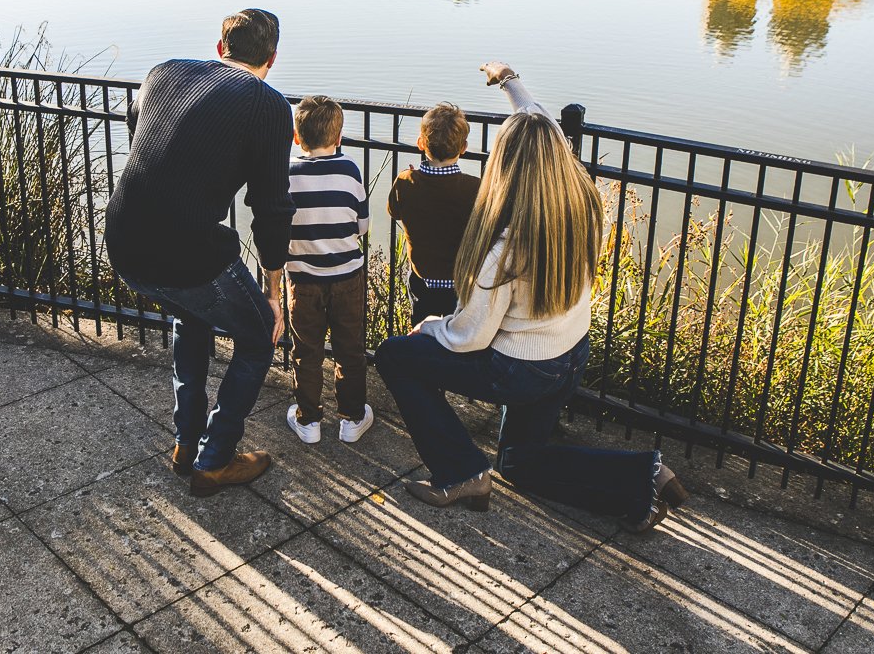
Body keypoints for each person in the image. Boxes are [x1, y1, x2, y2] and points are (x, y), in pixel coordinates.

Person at [373, 62, 689, 528]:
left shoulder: (504, 245)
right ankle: (642, 476)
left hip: (519, 370)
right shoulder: (581, 202)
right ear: (556, 154)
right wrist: (509, 81)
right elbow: (540, 123)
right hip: (569, 354)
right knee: (520, 464)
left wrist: (431, 328)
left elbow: (470, 337)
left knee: (395, 356)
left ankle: (460, 472)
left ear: (504, 164)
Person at [106, 9, 294, 498]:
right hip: (184, 250)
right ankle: (215, 460)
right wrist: (275, 293)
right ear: (271, 60)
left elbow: (144, 139)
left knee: (190, 317)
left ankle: (185, 443)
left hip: (123, 240)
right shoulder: (268, 105)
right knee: (257, 338)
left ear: (220, 48)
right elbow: (271, 210)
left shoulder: (164, 72)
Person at [283, 95, 373, 445]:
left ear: (296, 136)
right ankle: (351, 417)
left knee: (306, 351)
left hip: (303, 280)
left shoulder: (287, 173)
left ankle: (308, 421)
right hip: (347, 278)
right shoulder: (349, 170)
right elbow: (362, 226)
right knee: (350, 349)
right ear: (339, 137)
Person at [387, 103, 481, 323]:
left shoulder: (405, 181)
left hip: (422, 279)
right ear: (464, 147)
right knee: (457, 334)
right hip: (460, 282)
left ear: (421, 143)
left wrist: (412, 178)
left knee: (421, 330)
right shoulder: (475, 188)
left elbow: (394, 212)